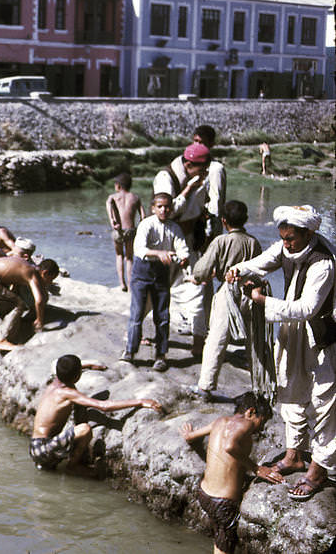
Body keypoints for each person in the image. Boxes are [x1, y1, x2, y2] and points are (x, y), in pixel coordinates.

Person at [227, 204, 336, 501]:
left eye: (291, 239)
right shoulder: (287, 247)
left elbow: (307, 308)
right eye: (283, 238)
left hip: (321, 333)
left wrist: (263, 301)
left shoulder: (322, 262)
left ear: (308, 232)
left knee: (324, 401)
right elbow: (264, 261)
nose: (286, 244)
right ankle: (294, 455)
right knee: (289, 386)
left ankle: (318, 468)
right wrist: (240, 269)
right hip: (293, 329)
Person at [180, 392, 283, 553]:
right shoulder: (246, 423)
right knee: (225, 545)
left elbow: (190, 437)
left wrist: (188, 433)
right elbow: (230, 446)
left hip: (204, 494)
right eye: (262, 421)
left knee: (220, 538)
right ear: (251, 412)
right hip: (223, 503)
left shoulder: (219, 421)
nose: (261, 428)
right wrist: (256, 468)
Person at [31, 354, 162, 474]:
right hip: (43, 449)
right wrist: (140, 402)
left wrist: (89, 366)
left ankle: (71, 460)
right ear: (77, 376)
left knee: (81, 409)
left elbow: (65, 369)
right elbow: (103, 406)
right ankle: (72, 467)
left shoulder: (55, 382)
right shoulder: (67, 393)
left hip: (36, 447)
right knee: (84, 429)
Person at [189, 200, 262, 399]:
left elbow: (202, 270)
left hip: (228, 291)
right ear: (245, 220)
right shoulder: (253, 242)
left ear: (223, 221)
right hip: (251, 291)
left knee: (216, 339)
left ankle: (205, 386)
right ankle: (261, 385)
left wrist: (196, 277)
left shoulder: (221, 241)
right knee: (255, 340)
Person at [154, 141, 213, 356]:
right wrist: (187, 190)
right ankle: (140, 331)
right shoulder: (166, 178)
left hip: (190, 241)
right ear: (189, 165)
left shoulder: (200, 179)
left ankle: (199, 340)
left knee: (196, 288)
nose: (205, 172)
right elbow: (165, 213)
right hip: (166, 242)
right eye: (202, 167)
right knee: (156, 289)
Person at [120, 193, 190, 372]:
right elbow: (139, 249)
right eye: (160, 206)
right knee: (137, 314)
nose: (164, 210)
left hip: (161, 273)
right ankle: (130, 351)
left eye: (167, 207)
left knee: (162, 316)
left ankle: (161, 355)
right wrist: (159, 253)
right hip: (142, 272)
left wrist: (183, 259)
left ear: (171, 208)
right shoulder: (146, 224)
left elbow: (183, 249)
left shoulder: (174, 227)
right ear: (153, 208)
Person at [0, 255, 60, 349]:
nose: (49, 283)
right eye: (50, 279)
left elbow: (13, 291)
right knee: (18, 304)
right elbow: (39, 300)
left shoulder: (25, 264)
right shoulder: (32, 273)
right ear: (45, 273)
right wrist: (39, 320)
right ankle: (3, 340)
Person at [106, 172, 145, 292]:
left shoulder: (112, 197)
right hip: (131, 230)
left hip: (118, 230)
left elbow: (109, 207)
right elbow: (143, 216)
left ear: (118, 185)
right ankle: (130, 283)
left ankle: (122, 284)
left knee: (119, 255)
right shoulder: (135, 197)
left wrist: (113, 221)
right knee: (129, 258)